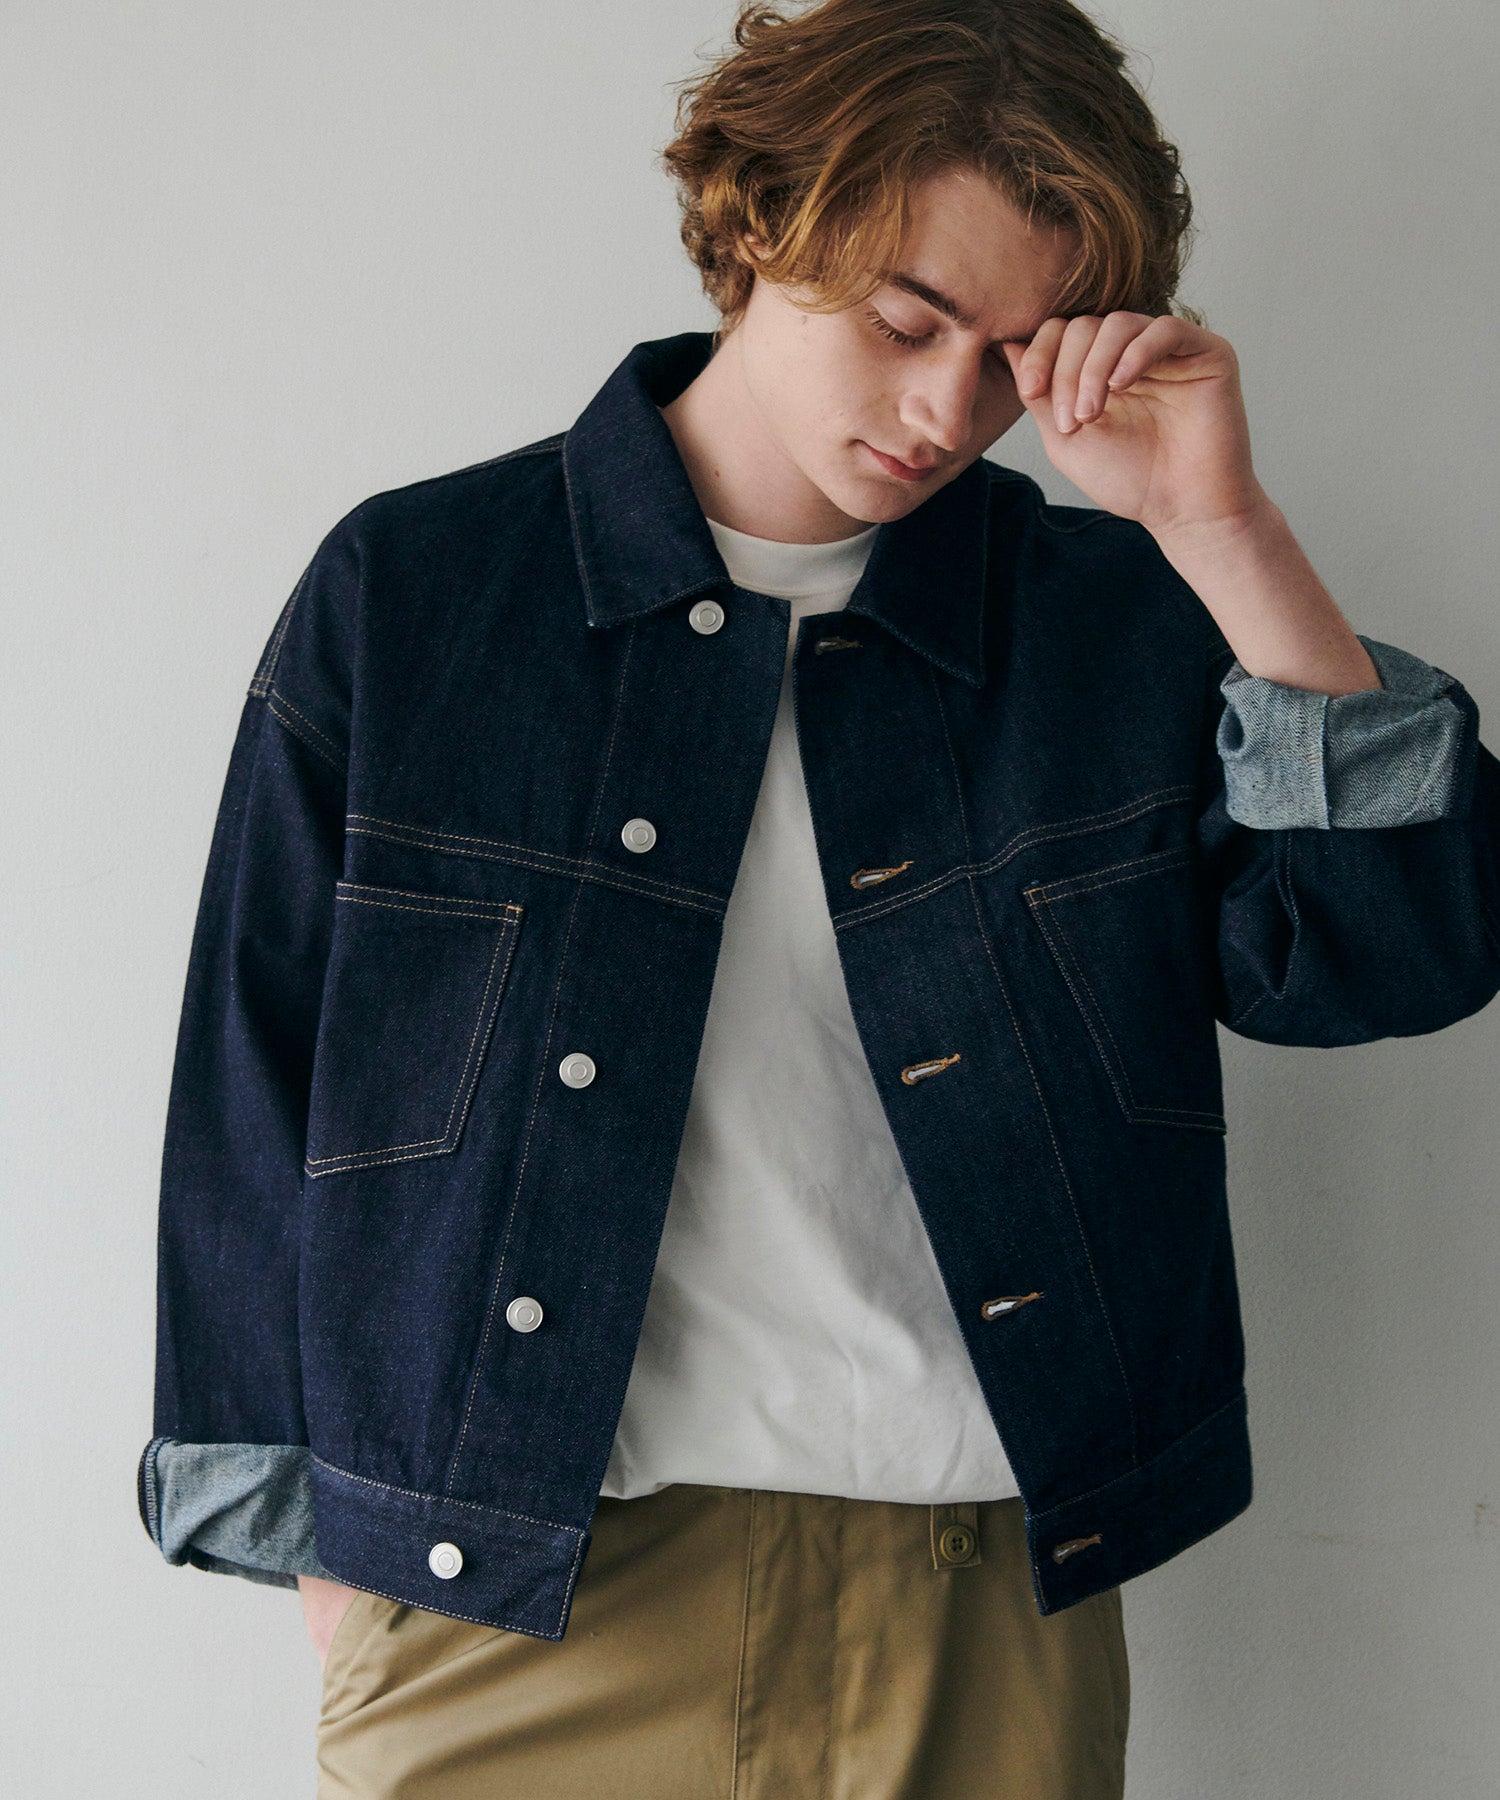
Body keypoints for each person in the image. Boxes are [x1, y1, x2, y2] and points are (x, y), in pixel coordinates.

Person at [137, 1, 1500, 1794]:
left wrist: (1223, 532)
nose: (947, 412)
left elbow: (1391, 958)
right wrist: (316, 1563)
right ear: (763, 221)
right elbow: (255, 1071)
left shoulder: (1111, 623)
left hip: (976, 1598)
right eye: (907, 321)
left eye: (1011, 360)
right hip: (510, 1597)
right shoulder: (425, 591)